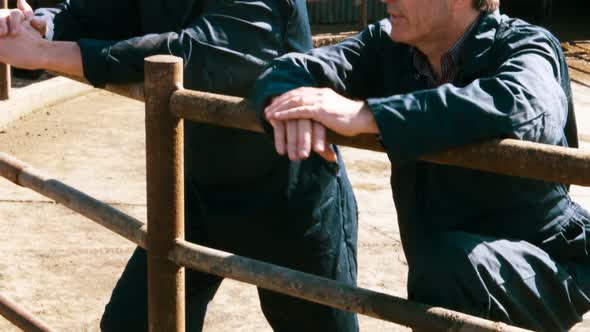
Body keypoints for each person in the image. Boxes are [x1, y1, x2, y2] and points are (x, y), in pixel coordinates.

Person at [0, 1, 359, 331]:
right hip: (197, 190)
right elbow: (103, 10)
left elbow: (200, 53)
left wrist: (45, 53)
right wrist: (39, 25)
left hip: (287, 196)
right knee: (135, 324)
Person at [252, 0, 590, 330]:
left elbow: (521, 106)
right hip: (444, 269)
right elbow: (287, 69)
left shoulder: (527, 45)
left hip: (546, 261)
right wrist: (289, 108)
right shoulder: (388, 46)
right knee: (439, 272)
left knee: (444, 269)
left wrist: (368, 115)